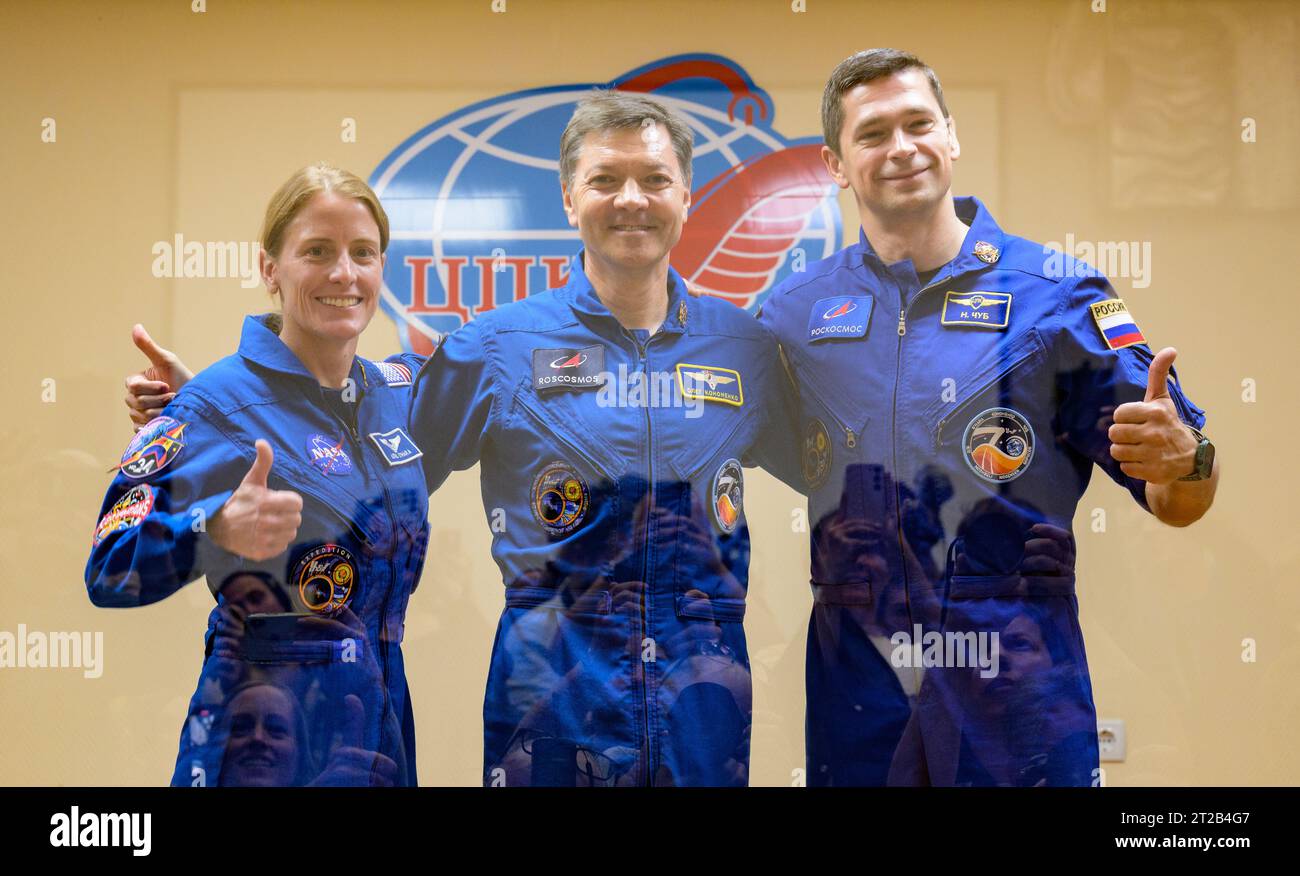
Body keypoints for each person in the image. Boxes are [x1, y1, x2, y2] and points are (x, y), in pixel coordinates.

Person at [757, 49, 1220, 786]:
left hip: (1014, 677)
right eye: (873, 133)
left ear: (952, 137)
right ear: (836, 164)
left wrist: (1189, 459)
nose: (902, 147)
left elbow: (1181, 500)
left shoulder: (1058, 297)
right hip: (858, 687)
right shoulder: (791, 316)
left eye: (919, 123)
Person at [408, 90, 801, 786]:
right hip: (553, 709)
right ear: (568, 199)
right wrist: (210, 414)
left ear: (686, 196)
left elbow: (859, 449)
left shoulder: (746, 348)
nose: (631, 199)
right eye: (604, 180)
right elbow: (376, 446)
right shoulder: (498, 347)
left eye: (654, 179)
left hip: (703, 712)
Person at [88, 162, 427, 786]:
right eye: (316, 252)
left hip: (376, 726)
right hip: (259, 736)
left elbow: (504, 371)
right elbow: (109, 567)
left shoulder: (395, 394)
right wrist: (211, 528)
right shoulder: (210, 406)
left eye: (364, 252)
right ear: (270, 268)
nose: (343, 273)